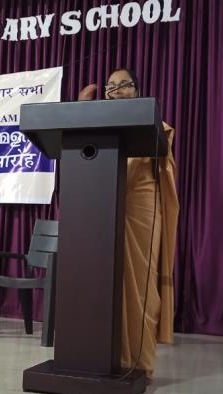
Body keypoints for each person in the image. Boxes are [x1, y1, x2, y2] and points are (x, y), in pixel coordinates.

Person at [79, 68, 180, 377]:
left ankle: (137, 363)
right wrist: (82, 113)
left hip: (140, 210)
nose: (116, 90)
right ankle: (97, 357)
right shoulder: (98, 130)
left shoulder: (152, 127)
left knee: (138, 287)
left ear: (137, 91)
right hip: (102, 209)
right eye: (110, 86)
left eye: (124, 85)